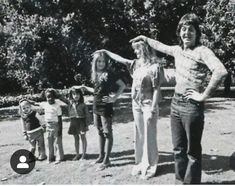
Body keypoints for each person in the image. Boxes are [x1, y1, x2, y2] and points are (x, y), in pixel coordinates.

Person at [130, 13, 228, 184]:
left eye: (191, 30)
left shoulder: (202, 51)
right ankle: (179, 181)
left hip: (192, 107)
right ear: (179, 32)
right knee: (178, 150)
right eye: (183, 29)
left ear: (197, 33)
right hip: (176, 105)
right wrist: (144, 38)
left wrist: (203, 95)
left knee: (192, 152)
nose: (187, 33)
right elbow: (160, 46)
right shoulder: (177, 50)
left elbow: (220, 71)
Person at [95, 40, 163, 179]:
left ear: (144, 49)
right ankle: (139, 163)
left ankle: (150, 167)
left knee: (149, 135)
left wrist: (152, 108)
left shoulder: (155, 67)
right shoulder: (135, 64)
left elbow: (157, 89)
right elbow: (120, 59)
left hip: (148, 103)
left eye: (137, 49)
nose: (135, 52)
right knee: (138, 134)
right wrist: (106, 52)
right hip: (136, 103)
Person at [82, 51, 126, 171]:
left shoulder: (109, 74)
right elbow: (97, 90)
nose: (101, 63)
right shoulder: (95, 74)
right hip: (96, 106)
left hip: (105, 107)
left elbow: (122, 85)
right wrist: (86, 88)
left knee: (107, 133)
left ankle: (107, 161)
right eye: (99, 61)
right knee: (99, 132)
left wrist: (114, 98)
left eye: (103, 61)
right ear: (95, 62)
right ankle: (101, 156)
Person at [58, 86, 90, 161]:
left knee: (83, 137)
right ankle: (77, 154)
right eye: (74, 94)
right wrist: (69, 89)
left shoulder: (83, 105)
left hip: (81, 122)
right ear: (71, 95)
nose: (76, 96)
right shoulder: (69, 103)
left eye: (78, 94)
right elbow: (60, 97)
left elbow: (87, 115)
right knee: (76, 138)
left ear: (80, 95)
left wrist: (86, 124)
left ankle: (83, 155)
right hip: (74, 122)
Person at [37, 88, 65, 164]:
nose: (50, 98)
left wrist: (60, 129)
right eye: (48, 97)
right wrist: (28, 101)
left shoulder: (57, 106)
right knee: (48, 142)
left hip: (56, 125)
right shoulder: (45, 104)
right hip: (48, 125)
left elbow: (60, 118)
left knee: (57, 142)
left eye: (51, 96)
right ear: (45, 98)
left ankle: (59, 157)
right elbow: (36, 104)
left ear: (54, 97)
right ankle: (50, 157)